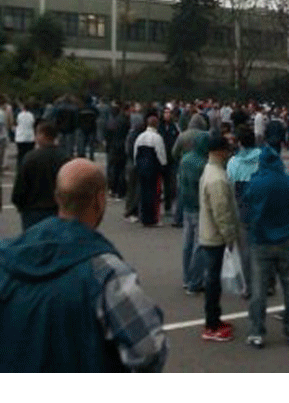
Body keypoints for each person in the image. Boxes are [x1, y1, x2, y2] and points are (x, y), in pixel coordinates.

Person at [0, 158, 167, 372]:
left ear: (57, 197)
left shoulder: (5, 258)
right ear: (99, 200)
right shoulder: (107, 273)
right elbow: (149, 350)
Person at [244, 145, 289, 348]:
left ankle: (257, 331)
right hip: (284, 237)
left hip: (261, 240)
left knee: (258, 289)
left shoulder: (257, 182)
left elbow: (247, 204)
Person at [198, 132, 238, 342]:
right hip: (214, 237)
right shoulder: (217, 178)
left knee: (213, 280)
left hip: (208, 232)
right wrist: (230, 235)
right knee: (213, 281)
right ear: (219, 151)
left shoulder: (210, 170)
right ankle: (211, 324)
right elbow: (221, 212)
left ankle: (214, 318)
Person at [11, 120, 70, 230]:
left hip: (33, 211)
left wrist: (20, 204)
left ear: (42, 135)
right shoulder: (65, 158)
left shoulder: (30, 158)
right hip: (58, 210)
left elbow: (20, 186)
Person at [226, 125, 261, 298]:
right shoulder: (262, 158)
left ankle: (249, 286)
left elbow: (230, 186)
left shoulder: (233, 162)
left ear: (239, 142)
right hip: (261, 206)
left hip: (243, 208)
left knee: (245, 252)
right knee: (264, 247)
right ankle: (267, 282)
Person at [178, 131, 209, 294]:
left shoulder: (185, 159)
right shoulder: (203, 163)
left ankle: (186, 277)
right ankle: (195, 280)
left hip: (186, 204)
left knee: (187, 243)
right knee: (199, 244)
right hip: (199, 205)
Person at [134, 115, 167, 227]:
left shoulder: (140, 137)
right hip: (153, 168)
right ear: (156, 124)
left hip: (142, 168)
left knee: (143, 193)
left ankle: (144, 217)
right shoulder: (157, 137)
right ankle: (153, 218)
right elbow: (161, 154)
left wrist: (137, 165)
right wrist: (163, 166)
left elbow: (135, 153)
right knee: (154, 194)